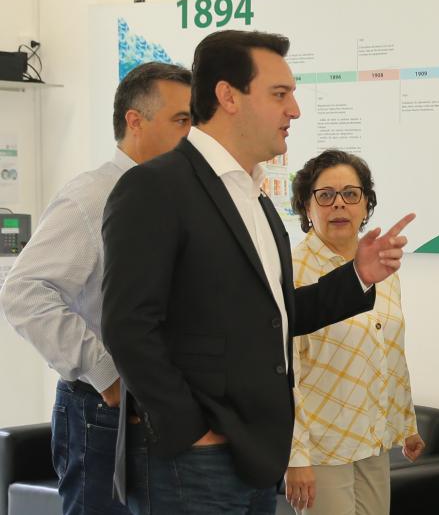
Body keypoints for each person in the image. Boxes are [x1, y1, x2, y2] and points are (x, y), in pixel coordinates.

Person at [100, 30, 414, 514]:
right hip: (194, 460)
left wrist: (357, 276)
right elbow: (127, 326)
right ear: (228, 96)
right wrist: (191, 432)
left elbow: (277, 316)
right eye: (280, 94)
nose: (295, 110)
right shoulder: (154, 188)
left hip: (252, 454)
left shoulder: (256, 199)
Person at [0, 61, 192, 515]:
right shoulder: (93, 196)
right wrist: (105, 375)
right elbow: (24, 292)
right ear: (135, 120)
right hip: (103, 409)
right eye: (181, 120)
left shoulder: (173, 196)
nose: (192, 134)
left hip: (162, 406)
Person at [283, 150, 424, 514]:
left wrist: (405, 423)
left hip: (372, 438)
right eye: (325, 196)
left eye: (350, 194)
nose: (339, 205)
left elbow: (390, 353)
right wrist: (295, 456)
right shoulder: (292, 273)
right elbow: (285, 374)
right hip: (322, 449)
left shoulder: (378, 267)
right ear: (306, 207)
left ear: (366, 205)